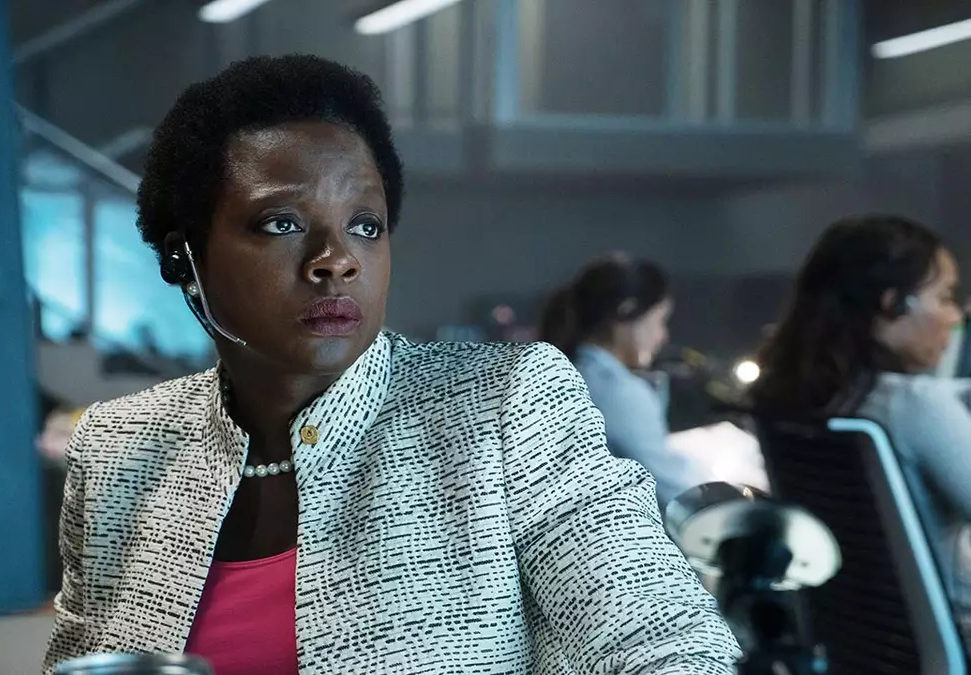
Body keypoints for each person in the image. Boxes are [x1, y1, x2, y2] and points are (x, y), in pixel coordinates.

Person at [42, 55, 739, 675]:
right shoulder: (118, 449)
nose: (336, 259)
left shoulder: (506, 404)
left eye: (364, 225)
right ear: (183, 257)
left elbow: (666, 641)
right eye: (281, 223)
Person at [750, 213, 971, 641]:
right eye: (944, 297)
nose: (954, 316)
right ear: (893, 303)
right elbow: (922, 407)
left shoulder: (798, 403)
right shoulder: (917, 406)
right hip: (957, 634)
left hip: (866, 642)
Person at [539, 254, 698, 509]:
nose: (663, 336)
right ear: (626, 313)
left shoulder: (563, 373)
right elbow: (673, 492)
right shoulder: (616, 391)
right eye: (659, 321)